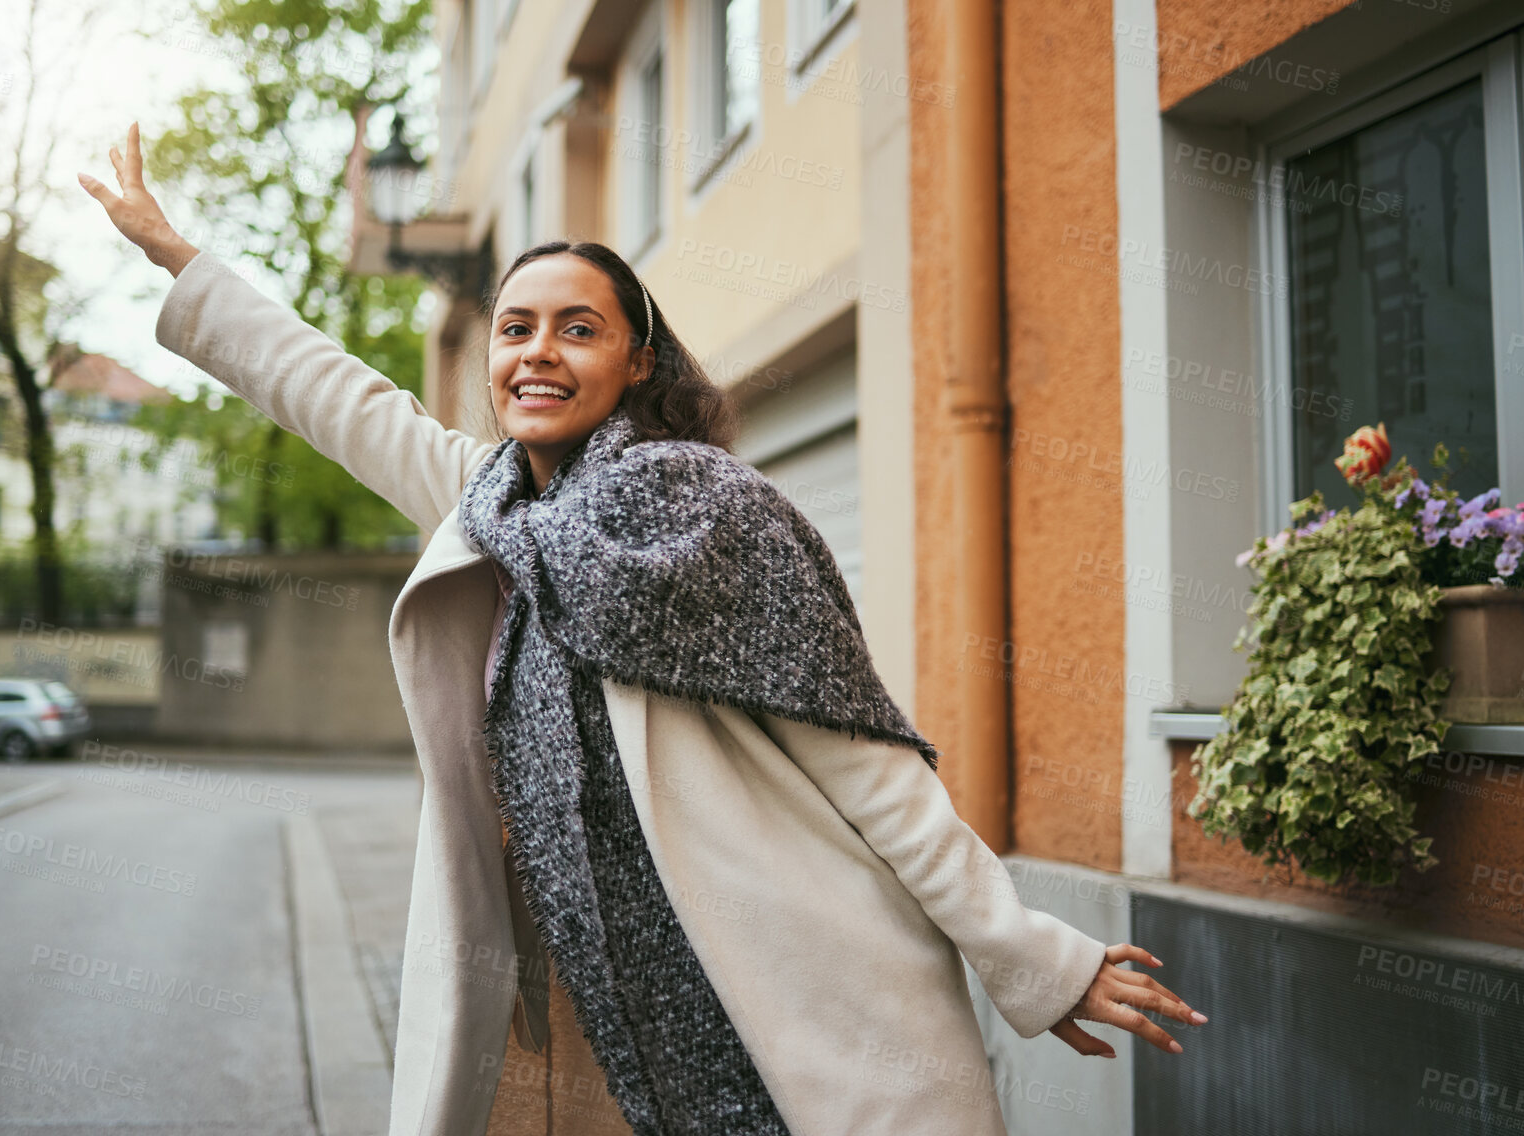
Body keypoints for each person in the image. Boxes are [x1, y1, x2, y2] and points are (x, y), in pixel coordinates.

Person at [81, 123, 1206, 1136]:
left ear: (638, 361)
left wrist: (1032, 955)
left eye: (579, 328)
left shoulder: (716, 517)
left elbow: (871, 769)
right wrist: (182, 261)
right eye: (516, 328)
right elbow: (339, 398)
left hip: (744, 979)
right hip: (550, 994)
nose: (538, 352)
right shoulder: (491, 509)